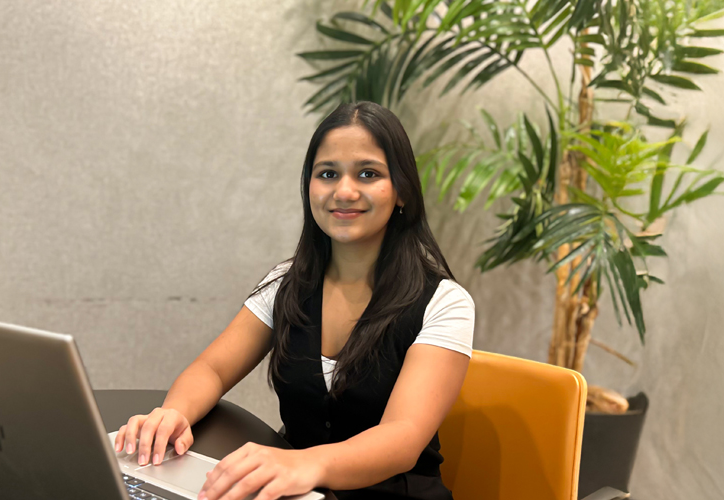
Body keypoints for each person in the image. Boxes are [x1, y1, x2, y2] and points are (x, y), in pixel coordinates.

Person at [113, 101, 475, 500]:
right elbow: (212, 369)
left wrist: (304, 464)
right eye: (328, 174)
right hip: (294, 492)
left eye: (368, 173)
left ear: (402, 190)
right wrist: (174, 413)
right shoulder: (286, 283)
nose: (344, 191)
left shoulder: (445, 302)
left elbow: (402, 436)